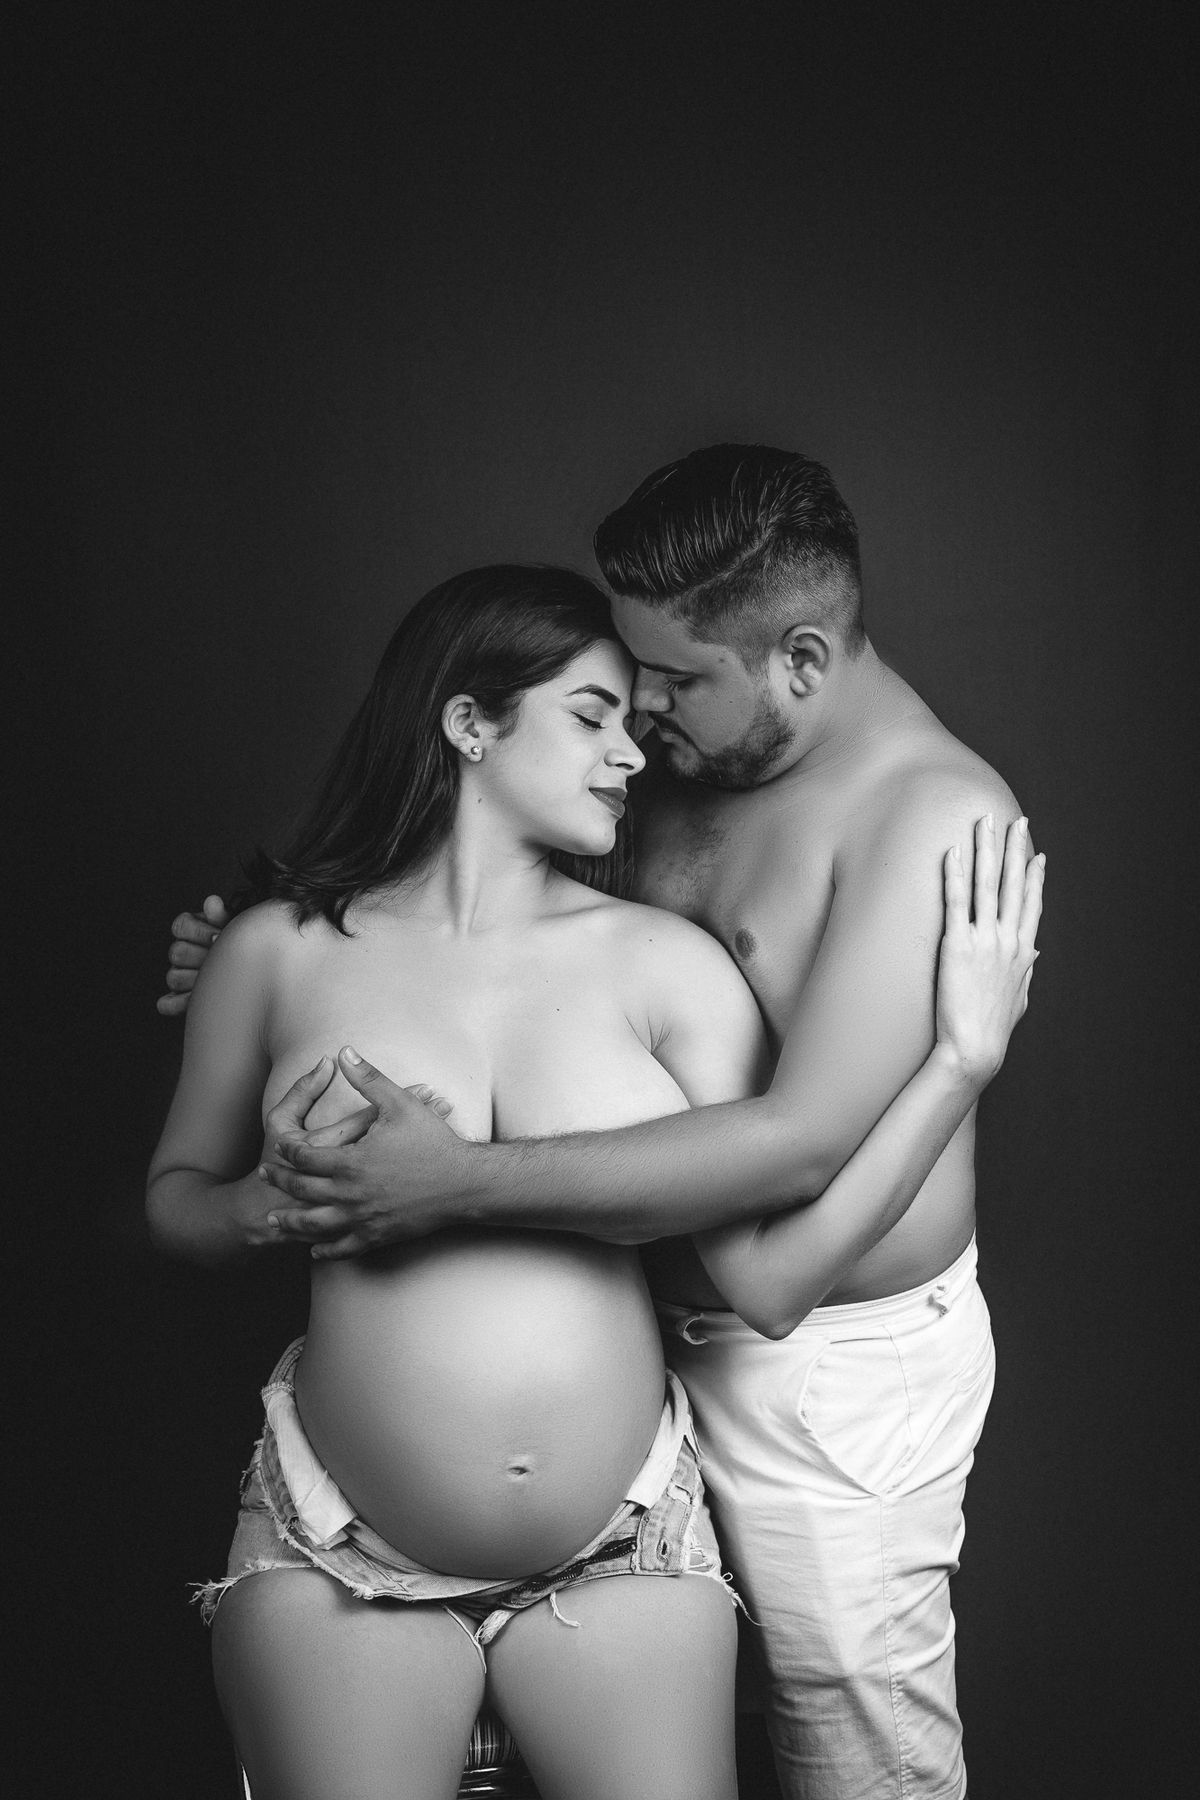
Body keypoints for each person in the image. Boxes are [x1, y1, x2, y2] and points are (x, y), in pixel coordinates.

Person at [163, 450, 1044, 1800]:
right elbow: (465, 921)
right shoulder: (689, 764)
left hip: (824, 1364)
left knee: (850, 1741)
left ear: (801, 661)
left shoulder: (932, 816)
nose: (645, 718)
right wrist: (267, 959)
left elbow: (794, 1158)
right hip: (646, 1342)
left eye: (673, 682)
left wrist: (963, 1061)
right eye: (618, 695)